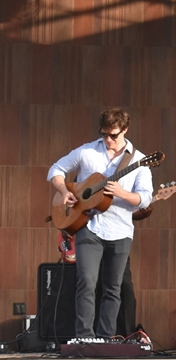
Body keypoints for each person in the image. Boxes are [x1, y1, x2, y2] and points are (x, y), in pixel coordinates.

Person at [47, 108, 153, 340]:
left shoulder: (139, 160)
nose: (108, 140)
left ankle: (106, 339)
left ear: (124, 130)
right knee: (86, 281)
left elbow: (145, 197)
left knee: (113, 288)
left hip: (121, 230)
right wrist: (65, 191)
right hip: (90, 227)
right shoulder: (87, 151)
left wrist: (123, 193)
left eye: (113, 135)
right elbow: (56, 169)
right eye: (104, 134)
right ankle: (84, 337)